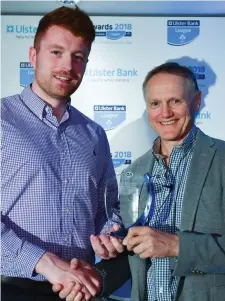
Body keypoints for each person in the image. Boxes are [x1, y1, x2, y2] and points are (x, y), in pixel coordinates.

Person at [1, 6, 123, 301]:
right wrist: (45, 263)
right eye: (56, 52)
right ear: (33, 56)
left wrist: (110, 237)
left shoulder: (94, 133)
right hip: (11, 288)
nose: (67, 66)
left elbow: (107, 210)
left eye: (78, 57)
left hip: (81, 290)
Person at [83, 62, 225, 301]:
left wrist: (177, 246)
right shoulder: (134, 171)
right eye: (155, 104)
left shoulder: (220, 159)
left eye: (175, 101)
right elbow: (134, 255)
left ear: (197, 101)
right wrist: (99, 271)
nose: (165, 113)